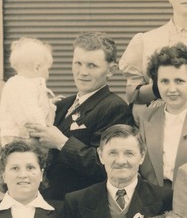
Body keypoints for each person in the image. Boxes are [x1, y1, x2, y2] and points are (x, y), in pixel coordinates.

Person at [35, 33, 134, 202]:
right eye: (78, 63)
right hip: (49, 203)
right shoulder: (61, 104)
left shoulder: (115, 107)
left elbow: (108, 164)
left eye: (92, 66)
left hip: (81, 208)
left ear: (111, 70)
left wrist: (62, 143)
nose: (82, 72)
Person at [132, 43, 187, 187]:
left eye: (179, 81)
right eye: (164, 81)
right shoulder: (145, 117)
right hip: (152, 200)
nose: (171, 89)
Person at [0, 37, 55, 144]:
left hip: (26, 140)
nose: (48, 73)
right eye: (48, 69)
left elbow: (34, 106)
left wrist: (50, 105)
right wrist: (45, 130)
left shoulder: (29, 86)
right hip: (19, 141)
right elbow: (30, 116)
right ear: (37, 67)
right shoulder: (19, 85)